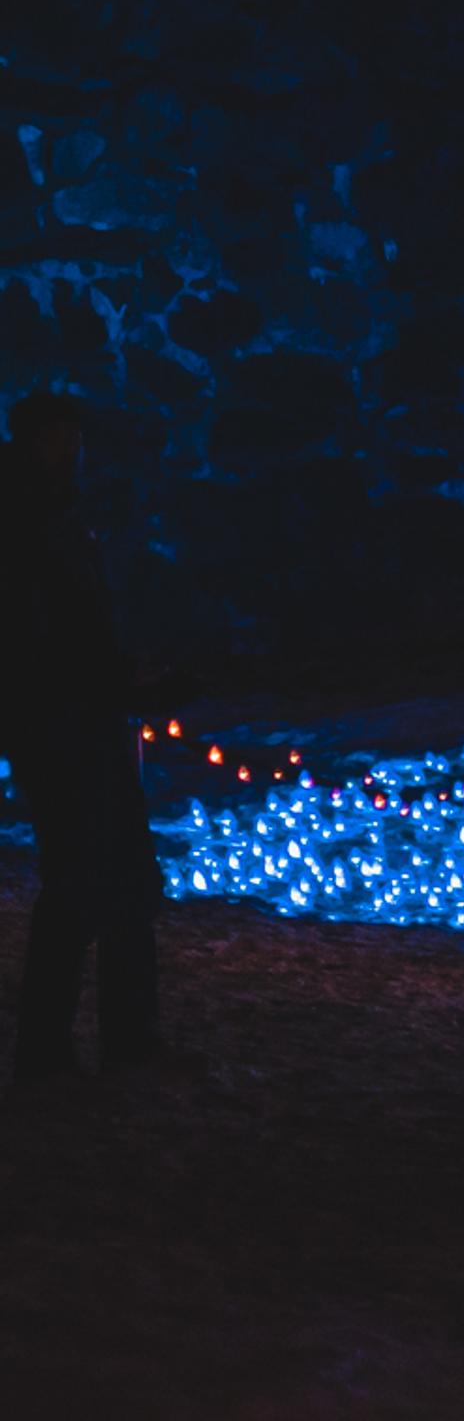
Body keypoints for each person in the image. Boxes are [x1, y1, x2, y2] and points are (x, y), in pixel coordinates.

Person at [2, 393, 184, 1083]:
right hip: (59, 728)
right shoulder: (28, 522)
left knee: (122, 878)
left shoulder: (54, 514)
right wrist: (114, 681)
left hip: (81, 720)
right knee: (83, 881)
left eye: (75, 435)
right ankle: (51, 1052)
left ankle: (123, 1039)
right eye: (61, 436)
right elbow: (41, 641)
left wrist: (123, 680)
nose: (72, 448)